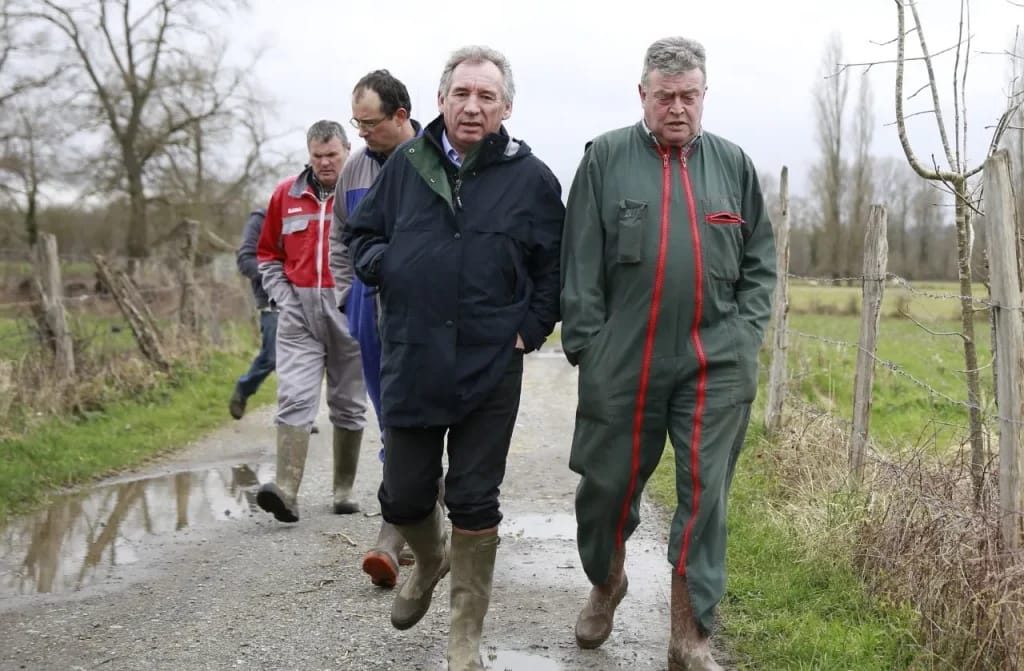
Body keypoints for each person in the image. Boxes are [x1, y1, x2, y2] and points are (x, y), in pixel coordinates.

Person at [343, 46, 564, 671]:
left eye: (486, 97)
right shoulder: (406, 166)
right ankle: (430, 556)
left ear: (506, 107)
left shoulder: (532, 178)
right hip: (413, 354)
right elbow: (363, 234)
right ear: (441, 101)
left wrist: (530, 328)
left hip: (489, 366)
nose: (472, 106)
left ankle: (464, 635)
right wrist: (388, 268)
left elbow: (554, 266)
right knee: (404, 496)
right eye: (462, 94)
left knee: (474, 497)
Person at [560, 37, 776, 671]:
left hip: (715, 361)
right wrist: (589, 347)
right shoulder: (605, 158)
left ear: (704, 95)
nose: (677, 108)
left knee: (704, 496)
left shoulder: (733, 165)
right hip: (624, 358)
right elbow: (579, 263)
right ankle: (607, 581)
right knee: (606, 486)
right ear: (644, 96)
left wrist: (745, 336)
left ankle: (690, 633)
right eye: (665, 97)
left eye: (689, 96)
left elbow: (760, 265)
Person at [328, 69, 424, 590]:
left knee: (421, 413)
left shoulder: (436, 158)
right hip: (367, 301)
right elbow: (340, 235)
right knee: (388, 412)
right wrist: (346, 296)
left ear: (401, 116)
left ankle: (410, 525)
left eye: (369, 123)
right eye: (356, 123)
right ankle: (404, 527)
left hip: (422, 306)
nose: (361, 133)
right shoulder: (356, 169)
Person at [255, 120, 368, 523]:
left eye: (331, 155)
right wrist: (284, 300)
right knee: (295, 398)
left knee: (349, 403)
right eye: (317, 156)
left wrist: (359, 301)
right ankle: (286, 491)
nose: (324, 163)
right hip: (298, 313)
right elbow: (267, 254)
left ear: (347, 150)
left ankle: (344, 490)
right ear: (309, 154)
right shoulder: (285, 195)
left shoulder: (361, 194)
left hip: (348, 311)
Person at [229, 207, 275, 420]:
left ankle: (298, 415)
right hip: (271, 299)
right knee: (273, 355)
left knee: (301, 356)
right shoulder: (261, 219)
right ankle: (244, 388)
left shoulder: (309, 215)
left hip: (303, 298)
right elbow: (245, 260)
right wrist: (278, 274)